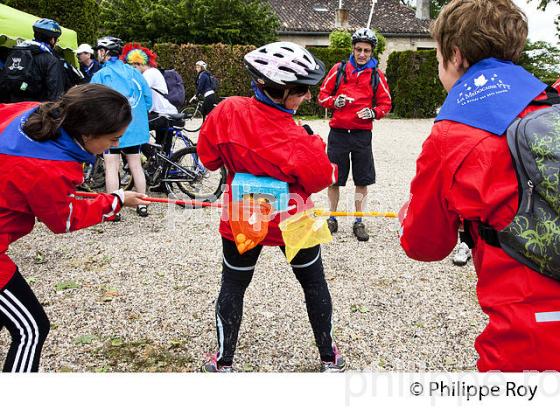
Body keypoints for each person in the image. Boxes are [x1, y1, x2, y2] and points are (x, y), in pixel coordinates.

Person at [399, 0, 560, 371]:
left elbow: (424, 245)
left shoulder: (452, 134)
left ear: (455, 55)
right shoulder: (549, 102)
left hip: (530, 335)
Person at [197, 42, 343, 372]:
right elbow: (322, 178)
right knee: (314, 283)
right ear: (278, 91)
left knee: (233, 284)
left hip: (244, 212)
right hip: (295, 215)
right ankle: (329, 358)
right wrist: (314, 143)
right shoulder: (299, 140)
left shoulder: (227, 111)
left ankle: (223, 362)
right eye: (303, 91)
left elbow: (207, 160)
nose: (308, 97)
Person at [0, 84, 149, 372]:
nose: (115, 145)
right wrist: (116, 200)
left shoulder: (34, 112)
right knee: (31, 328)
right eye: (113, 138)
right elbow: (64, 218)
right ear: (88, 133)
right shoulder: (48, 169)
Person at [318, 28, 392, 242]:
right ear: (353, 48)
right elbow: (322, 95)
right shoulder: (339, 69)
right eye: (358, 49)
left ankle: (359, 221)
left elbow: (386, 104)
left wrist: (373, 112)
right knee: (334, 180)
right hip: (339, 133)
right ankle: (332, 218)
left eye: (366, 51)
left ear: (372, 52)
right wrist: (335, 102)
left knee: (362, 180)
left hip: (361, 135)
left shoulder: (377, 76)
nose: (361, 54)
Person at [91, 37, 152, 218]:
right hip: (134, 128)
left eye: (100, 50)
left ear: (106, 52)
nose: (98, 54)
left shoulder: (101, 74)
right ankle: (142, 204)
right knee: (135, 165)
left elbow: (91, 102)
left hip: (111, 128)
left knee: (112, 167)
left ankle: (112, 209)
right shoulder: (134, 72)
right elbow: (148, 99)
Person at [121, 43, 178, 155]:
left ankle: (150, 159)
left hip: (163, 114)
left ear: (139, 64)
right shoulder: (152, 72)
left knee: (134, 129)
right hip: (162, 113)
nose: (133, 70)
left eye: (133, 67)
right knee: (162, 148)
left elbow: (137, 91)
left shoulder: (150, 73)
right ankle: (155, 162)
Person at [0, 18, 65, 103]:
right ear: (52, 39)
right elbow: (55, 95)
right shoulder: (51, 60)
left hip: (9, 110)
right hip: (34, 112)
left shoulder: (14, 53)